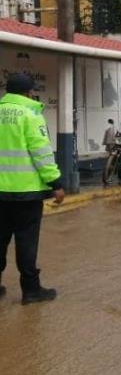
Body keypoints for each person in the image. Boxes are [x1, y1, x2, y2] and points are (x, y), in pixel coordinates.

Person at [0, 73, 64, 305]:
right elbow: (41, 153)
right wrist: (55, 184)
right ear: (28, 92)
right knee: (26, 242)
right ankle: (31, 291)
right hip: (25, 193)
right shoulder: (30, 115)